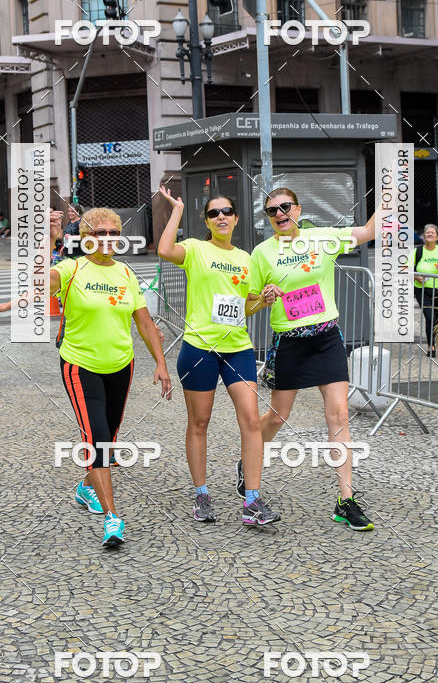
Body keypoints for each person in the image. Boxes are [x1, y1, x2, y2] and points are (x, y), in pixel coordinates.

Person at [247, 187, 376, 532]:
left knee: (340, 413)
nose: (279, 214)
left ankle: (345, 501)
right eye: (272, 211)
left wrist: (391, 193)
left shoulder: (321, 238)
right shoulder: (262, 253)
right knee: (277, 417)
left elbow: (368, 231)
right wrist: (264, 297)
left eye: (285, 207)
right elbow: (247, 305)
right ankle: (248, 460)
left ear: (298, 209)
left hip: (327, 339)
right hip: (289, 343)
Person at [157, 184, 281, 527]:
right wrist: (177, 211)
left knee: (252, 421)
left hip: (238, 349)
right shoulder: (195, 249)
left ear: (236, 218)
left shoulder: (246, 259)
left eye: (227, 212)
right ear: (207, 221)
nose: (221, 217)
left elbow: (245, 307)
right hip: (200, 348)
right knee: (199, 423)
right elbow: (165, 249)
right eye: (214, 213)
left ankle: (252, 501)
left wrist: (264, 299)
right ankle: (201, 493)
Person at [51, 207, 172, 548]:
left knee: (109, 436)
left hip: (121, 365)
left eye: (111, 233)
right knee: (98, 440)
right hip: (80, 366)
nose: (106, 239)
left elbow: (145, 323)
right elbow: (40, 280)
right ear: (86, 238)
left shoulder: (125, 273)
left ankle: (86, 487)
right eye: (98, 233)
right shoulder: (71, 268)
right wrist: (48, 238)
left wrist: (160, 364)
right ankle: (112, 519)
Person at [408, 223, 438, 358]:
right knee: (429, 317)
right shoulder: (417, 252)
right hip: (422, 289)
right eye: (427, 232)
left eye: (432, 233)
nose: (429, 234)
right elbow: (405, 269)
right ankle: (431, 346)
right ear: (423, 236)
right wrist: (416, 276)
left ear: (437, 236)